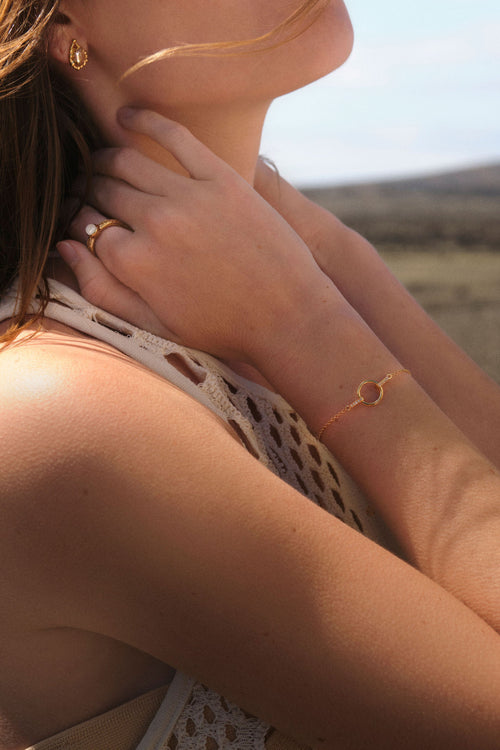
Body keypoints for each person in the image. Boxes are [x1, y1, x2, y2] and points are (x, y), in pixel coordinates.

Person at [1, 1, 500, 748]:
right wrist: (306, 326)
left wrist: (328, 257)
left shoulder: (294, 262)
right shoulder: (65, 416)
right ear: (64, 28)